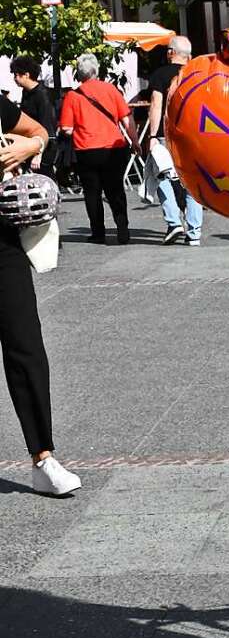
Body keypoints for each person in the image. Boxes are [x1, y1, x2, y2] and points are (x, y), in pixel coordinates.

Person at [0, 94, 80, 496]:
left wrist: (31, 145)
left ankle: (43, 458)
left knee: (26, 345)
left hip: (2, 241)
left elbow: (37, 132)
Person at [58, 54, 133, 244]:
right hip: (113, 148)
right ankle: (122, 229)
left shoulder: (72, 96)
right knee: (115, 189)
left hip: (87, 150)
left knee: (92, 193)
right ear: (96, 70)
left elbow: (67, 128)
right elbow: (126, 118)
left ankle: (98, 233)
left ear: (79, 73)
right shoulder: (111, 89)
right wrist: (136, 141)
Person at [146, 36, 204, 246]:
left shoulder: (160, 75)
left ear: (171, 52)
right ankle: (194, 231)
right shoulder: (197, 75)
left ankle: (173, 221)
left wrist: (152, 136)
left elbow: (156, 104)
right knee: (191, 180)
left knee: (161, 174)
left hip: (167, 133)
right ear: (188, 55)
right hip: (193, 135)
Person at [10, 55, 57, 179]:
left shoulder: (42, 95)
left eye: (16, 75)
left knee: (44, 181)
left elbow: (47, 125)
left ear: (26, 74)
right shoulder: (26, 92)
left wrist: (39, 153)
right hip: (31, 143)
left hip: (44, 147)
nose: (14, 78)